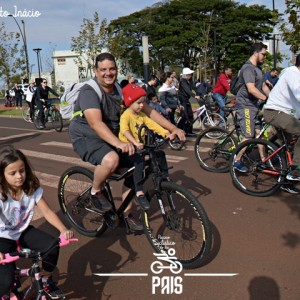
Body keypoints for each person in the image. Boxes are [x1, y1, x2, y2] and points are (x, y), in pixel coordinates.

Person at [68, 52, 185, 231]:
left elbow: (149, 112)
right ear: (96, 71)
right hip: (86, 136)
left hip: (111, 135)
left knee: (137, 166)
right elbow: (96, 123)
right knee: (111, 160)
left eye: (112, 69)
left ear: (116, 69)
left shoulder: (121, 90)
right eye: (103, 70)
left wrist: (173, 128)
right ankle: (95, 191)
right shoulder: (89, 92)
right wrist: (119, 144)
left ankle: (126, 214)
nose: (108, 73)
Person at [0, 145, 74, 298]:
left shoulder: (30, 188)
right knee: (5, 283)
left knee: (52, 245)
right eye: (12, 173)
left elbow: (47, 211)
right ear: (2, 175)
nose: (19, 176)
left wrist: (63, 229)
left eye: (22, 170)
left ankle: (46, 279)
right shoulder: (1, 194)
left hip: (22, 231)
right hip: (3, 237)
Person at [119, 84, 170, 213]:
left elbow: (152, 124)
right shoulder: (126, 115)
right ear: (129, 102)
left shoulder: (141, 115)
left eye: (143, 102)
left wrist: (165, 132)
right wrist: (134, 142)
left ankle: (164, 177)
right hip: (128, 148)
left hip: (139, 146)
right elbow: (124, 131)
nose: (142, 105)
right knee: (139, 163)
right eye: (138, 103)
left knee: (160, 154)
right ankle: (139, 191)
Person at [263, 54, 300, 192]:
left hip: (285, 114)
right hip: (275, 112)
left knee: (289, 145)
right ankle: (296, 170)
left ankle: (285, 180)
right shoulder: (293, 74)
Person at [233, 42, 269, 172]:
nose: (264, 57)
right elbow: (251, 89)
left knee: (260, 135)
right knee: (248, 135)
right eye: (263, 54)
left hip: (254, 106)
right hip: (245, 105)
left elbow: (264, 87)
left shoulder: (258, 69)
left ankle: (263, 159)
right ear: (256, 53)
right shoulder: (248, 68)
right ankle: (237, 161)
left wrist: (273, 98)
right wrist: (265, 98)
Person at [177, 67, 200, 136]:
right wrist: (194, 95)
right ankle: (182, 130)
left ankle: (189, 131)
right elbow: (187, 90)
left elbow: (194, 87)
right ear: (186, 75)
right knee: (185, 115)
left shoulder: (189, 81)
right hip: (182, 99)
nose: (191, 75)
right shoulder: (183, 81)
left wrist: (199, 93)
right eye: (189, 74)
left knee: (190, 115)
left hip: (187, 99)